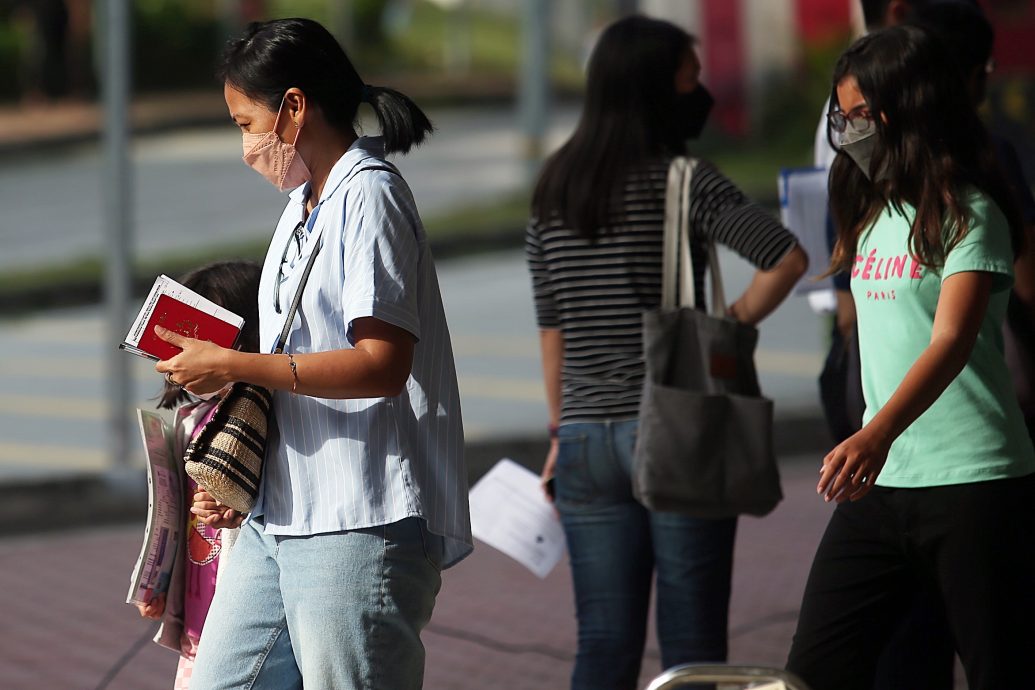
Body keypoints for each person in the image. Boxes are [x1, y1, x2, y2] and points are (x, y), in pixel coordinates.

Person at [152, 17, 472, 690]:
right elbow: (291, 355)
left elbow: (382, 363)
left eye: (246, 124)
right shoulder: (303, 204)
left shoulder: (371, 197)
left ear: (293, 107)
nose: (246, 147)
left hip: (358, 516)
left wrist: (231, 364)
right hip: (281, 514)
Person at [526, 16, 808, 690]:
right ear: (653, 88)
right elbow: (786, 257)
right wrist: (729, 322)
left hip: (585, 441)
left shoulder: (554, 187)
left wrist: (561, 431)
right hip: (677, 426)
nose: (700, 92)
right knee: (692, 648)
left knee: (603, 644)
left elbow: (552, 329)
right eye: (689, 78)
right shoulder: (686, 181)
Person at [785, 25, 1035, 690]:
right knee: (812, 671)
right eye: (843, 115)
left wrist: (874, 434)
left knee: (999, 669)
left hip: (973, 481)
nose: (850, 131)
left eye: (861, 114)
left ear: (909, 109)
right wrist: (874, 441)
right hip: (883, 482)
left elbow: (950, 341)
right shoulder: (870, 210)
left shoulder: (971, 214)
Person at [134, 260, 261, 690]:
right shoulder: (191, 422)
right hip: (196, 624)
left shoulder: (265, 423)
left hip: (245, 621)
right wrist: (161, 583)